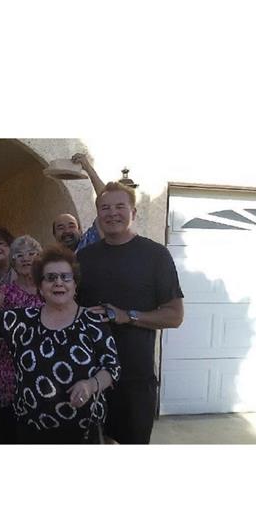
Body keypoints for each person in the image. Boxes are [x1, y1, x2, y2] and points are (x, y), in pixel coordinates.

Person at [0, 246, 120, 444]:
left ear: (75, 284)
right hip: (31, 428)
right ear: (40, 287)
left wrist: (91, 385)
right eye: (50, 278)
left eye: (65, 277)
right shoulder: (24, 319)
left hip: (83, 428)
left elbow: (111, 367)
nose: (59, 282)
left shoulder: (93, 321)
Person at [77, 181, 184, 445]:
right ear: (98, 214)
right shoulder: (84, 258)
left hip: (135, 378)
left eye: (120, 206)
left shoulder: (155, 255)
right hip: (88, 375)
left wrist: (129, 316)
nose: (112, 213)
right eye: (105, 208)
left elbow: (174, 315)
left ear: (133, 212)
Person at [0, 234, 42, 444]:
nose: (26, 258)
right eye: (19, 255)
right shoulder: (3, 293)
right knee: (10, 432)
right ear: (13, 262)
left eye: (32, 253)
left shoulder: (52, 291)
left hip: (43, 372)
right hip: (10, 373)